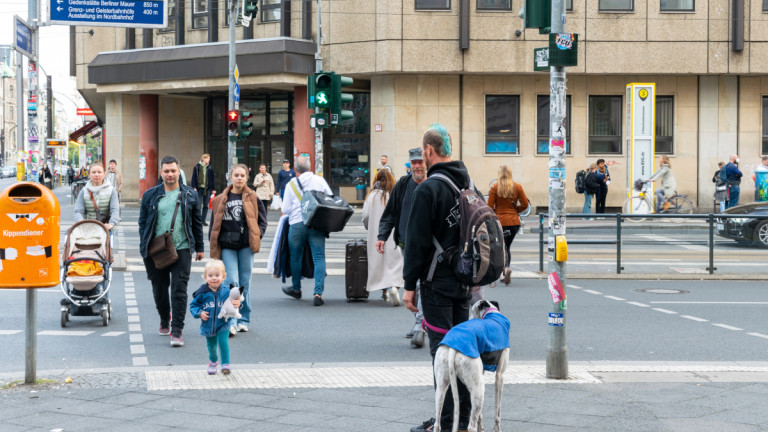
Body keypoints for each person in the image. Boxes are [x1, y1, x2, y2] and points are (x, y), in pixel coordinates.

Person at [403, 124, 472, 432]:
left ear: (429, 151)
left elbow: (415, 243)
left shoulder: (427, 189)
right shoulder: (467, 182)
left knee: (442, 356)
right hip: (463, 282)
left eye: (423, 152)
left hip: (436, 285)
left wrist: (408, 286)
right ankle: (462, 419)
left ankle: (445, 424)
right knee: (463, 355)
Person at [139, 155, 205, 347]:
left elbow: (197, 223)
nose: (170, 174)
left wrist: (199, 247)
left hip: (182, 248)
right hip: (156, 249)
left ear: (179, 172)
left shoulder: (190, 195)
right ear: (161, 173)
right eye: (166, 171)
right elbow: (142, 222)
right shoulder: (150, 195)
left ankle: (177, 329)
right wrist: (145, 244)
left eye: (173, 171)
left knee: (179, 290)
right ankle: (164, 318)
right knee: (159, 288)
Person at [377, 147, 428, 348]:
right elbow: (390, 213)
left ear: (426, 163)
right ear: (410, 164)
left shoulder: (434, 183)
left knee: (424, 282)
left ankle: (420, 325)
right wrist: (382, 236)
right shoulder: (403, 185)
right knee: (413, 282)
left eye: (420, 162)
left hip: (431, 246)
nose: (417, 166)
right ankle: (421, 322)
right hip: (407, 243)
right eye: (414, 163)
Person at [209, 164, 268, 336]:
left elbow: (262, 221)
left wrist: (256, 235)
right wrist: (213, 245)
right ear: (230, 177)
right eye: (236, 175)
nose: (239, 178)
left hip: (245, 247)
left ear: (247, 178)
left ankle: (244, 319)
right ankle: (232, 320)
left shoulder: (253, 197)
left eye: (242, 175)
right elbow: (213, 225)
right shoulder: (220, 198)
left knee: (244, 284)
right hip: (227, 247)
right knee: (232, 283)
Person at [281, 156, 332, 306]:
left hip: (297, 223)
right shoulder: (319, 181)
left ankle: (296, 289)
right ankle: (318, 293)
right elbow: (330, 198)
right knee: (319, 257)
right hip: (316, 222)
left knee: (295, 257)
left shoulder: (291, 184)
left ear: (295, 169)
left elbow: (285, 208)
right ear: (310, 167)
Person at [189, 260, 240, 375]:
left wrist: (237, 304)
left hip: (223, 323)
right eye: (210, 275)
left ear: (223, 277)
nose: (214, 278)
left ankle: (225, 364)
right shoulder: (202, 293)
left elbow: (237, 300)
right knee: (211, 346)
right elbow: (193, 306)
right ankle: (213, 362)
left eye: (217, 275)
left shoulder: (227, 291)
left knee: (223, 342)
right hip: (208, 325)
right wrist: (199, 313)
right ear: (205, 277)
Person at [362, 169, 403, 307]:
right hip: (393, 234)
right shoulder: (394, 194)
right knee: (396, 263)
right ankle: (395, 288)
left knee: (379, 264)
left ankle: (384, 291)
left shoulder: (372, 196)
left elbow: (366, 216)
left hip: (376, 236)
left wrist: (370, 227)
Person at [487, 165, 529, 285]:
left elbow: (489, 207)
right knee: (507, 247)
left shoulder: (494, 187)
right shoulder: (517, 186)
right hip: (514, 222)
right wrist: (516, 210)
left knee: (501, 247)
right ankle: (506, 268)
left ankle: (505, 270)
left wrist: (496, 213)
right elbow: (525, 204)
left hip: (500, 221)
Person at [74, 162, 120, 230]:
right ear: (89, 175)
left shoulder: (111, 190)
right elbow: (78, 211)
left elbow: (115, 209)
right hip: (88, 227)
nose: (96, 174)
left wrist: (111, 223)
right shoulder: (84, 191)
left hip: (106, 228)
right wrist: (81, 222)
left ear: (104, 174)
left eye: (99, 172)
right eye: (93, 172)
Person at [190, 154, 215, 226]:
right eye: (207, 158)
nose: (209, 160)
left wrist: (213, 189)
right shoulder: (197, 167)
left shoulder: (210, 168)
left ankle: (203, 220)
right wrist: (194, 187)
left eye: (209, 158)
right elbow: (193, 178)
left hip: (207, 189)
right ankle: (197, 220)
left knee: (206, 206)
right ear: (203, 159)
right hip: (199, 189)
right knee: (198, 205)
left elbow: (212, 179)